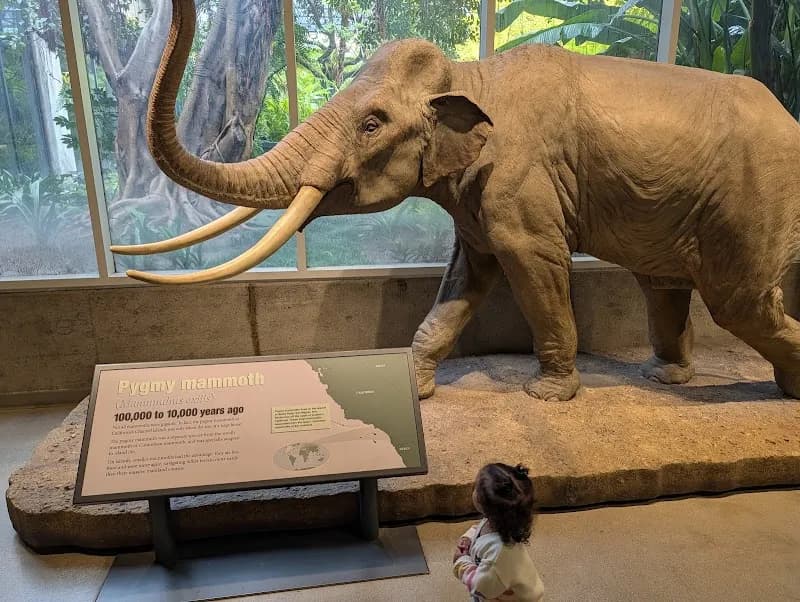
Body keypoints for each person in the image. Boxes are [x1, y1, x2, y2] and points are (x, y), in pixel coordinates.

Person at [452, 463, 545, 601]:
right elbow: (478, 530)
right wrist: (468, 538)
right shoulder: (496, 522)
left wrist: (462, 562)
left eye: (476, 488)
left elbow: (481, 588)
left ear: (481, 501)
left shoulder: (500, 555)